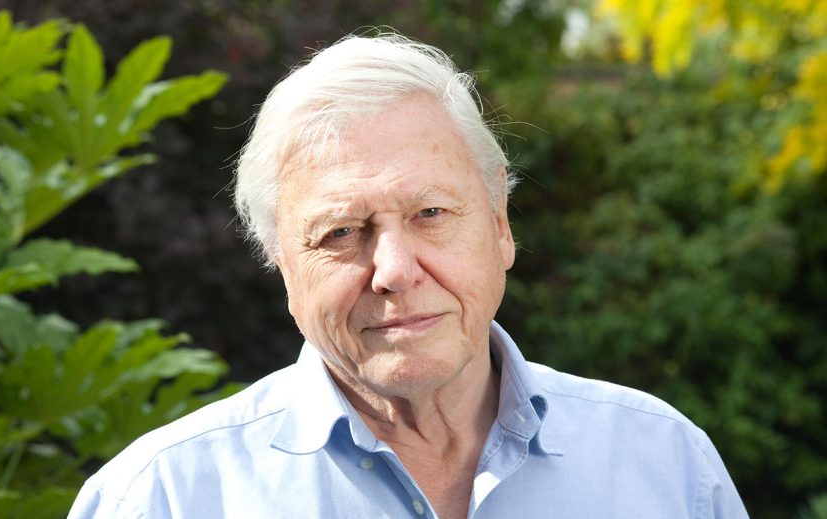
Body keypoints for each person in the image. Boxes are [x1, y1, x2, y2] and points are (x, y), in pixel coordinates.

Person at [69, 34, 748, 518]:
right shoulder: (164, 497)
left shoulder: (664, 463)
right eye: (341, 232)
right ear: (280, 260)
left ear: (501, 226)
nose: (394, 269)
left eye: (430, 212)